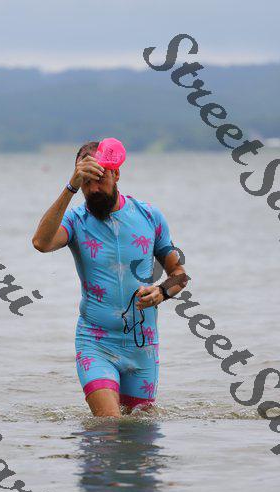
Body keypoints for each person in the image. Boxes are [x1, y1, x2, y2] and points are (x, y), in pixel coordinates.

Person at [32, 141, 187, 417]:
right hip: (95, 342)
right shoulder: (76, 220)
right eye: (85, 181)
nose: (93, 189)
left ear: (116, 174)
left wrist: (162, 292)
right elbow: (41, 243)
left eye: (99, 179)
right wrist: (70, 187)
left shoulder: (149, 216)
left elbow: (179, 275)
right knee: (109, 425)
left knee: (139, 434)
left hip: (142, 346)